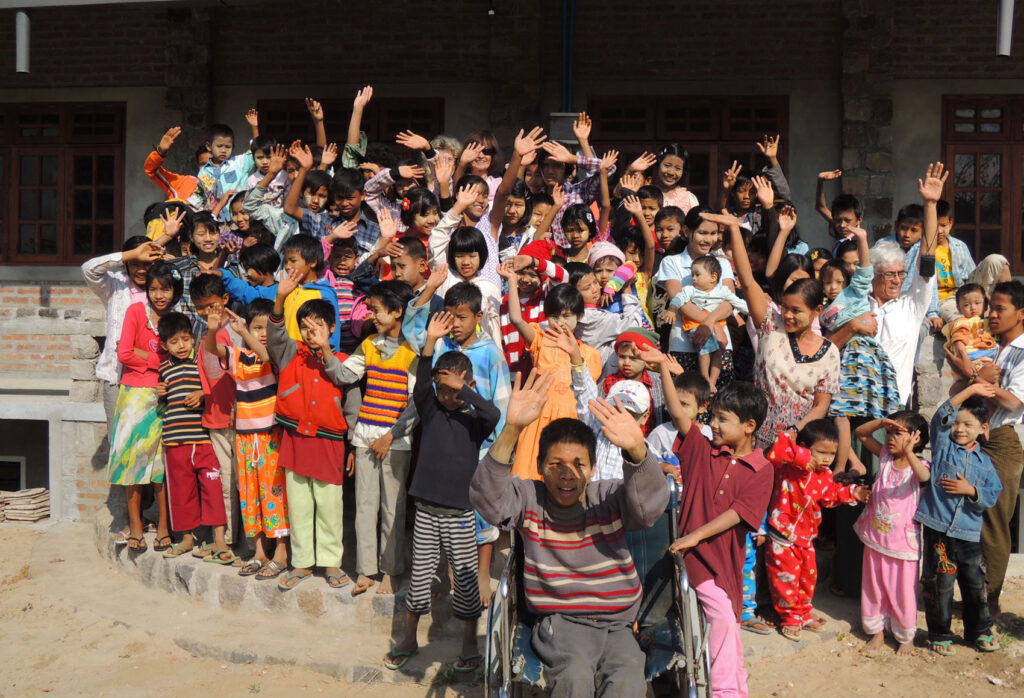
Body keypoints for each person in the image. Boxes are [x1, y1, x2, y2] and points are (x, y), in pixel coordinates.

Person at [471, 370, 670, 698]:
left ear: (592, 468)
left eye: (579, 464)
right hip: (561, 624)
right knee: (575, 679)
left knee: (629, 684)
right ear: (540, 466)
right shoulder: (529, 498)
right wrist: (511, 430)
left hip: (618, 626)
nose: (567, 474)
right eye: (556, 464)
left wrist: (637, 449)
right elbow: (487, 500)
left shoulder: (608, 497)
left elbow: (649, 508)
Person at [383, 329, 500, 673]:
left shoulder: (475, 420)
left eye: (454, 390)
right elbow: (421, 386)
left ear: (467, 385)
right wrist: (429, 345)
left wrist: (463, 389)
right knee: (420, 578)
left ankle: (469, 643)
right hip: (426, 512)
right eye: (442, 389)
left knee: (465, 580)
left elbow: (493, 415)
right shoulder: (431, 409)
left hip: (461, 515)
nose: (447, 396)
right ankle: (409, 638)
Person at [666, 377, 773, 698]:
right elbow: (678, 414)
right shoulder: (702, 450)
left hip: (726, 562)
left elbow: (739, 513)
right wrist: (662, 368)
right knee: (724, 619)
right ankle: (725, 691)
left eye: (722, 419)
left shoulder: (762, 469)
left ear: (749, 426)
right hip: (695, 559)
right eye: (711, 416)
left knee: (730, 624)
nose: (712, 423)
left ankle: (738, 689)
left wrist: (696, 535)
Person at [708, 210, 840, 450]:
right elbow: (748, 281)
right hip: (756, 436)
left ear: (816, 311)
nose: (788, 315)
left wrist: (794, 431)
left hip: (799, 443)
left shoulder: (829, 351)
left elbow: (821, 405)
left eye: (796, 311)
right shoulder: (770, 323)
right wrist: (735, 230)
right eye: (785, 308)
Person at [331, 281, 419, 597]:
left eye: (377, 310)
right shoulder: (370, 344)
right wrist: (325, 350)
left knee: (393, 509)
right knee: (365, 506)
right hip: (365, 438)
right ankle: (366, 570)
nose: (371, 316)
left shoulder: (413, 351)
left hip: (395, 441)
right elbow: (343, 375)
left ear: (397, 312)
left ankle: (391, 572)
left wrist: (390, 436)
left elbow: (416, 403)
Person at [266, 272, 351, 592]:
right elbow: (275, 335)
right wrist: (280, 299)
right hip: (295, 441)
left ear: (332, 327)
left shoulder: (344, 361)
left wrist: (352, 447)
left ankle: (331, 562)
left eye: (318, 326)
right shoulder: (291, 352)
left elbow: (352, 406)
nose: (310, 332)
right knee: (299, 505)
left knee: (330, 507)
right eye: (305, 327)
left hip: (330, 444)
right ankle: (301, 562)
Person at [946, 280, 1024, 618]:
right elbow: (958, 388)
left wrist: (979, 379)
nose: (992, 315)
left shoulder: (1021, 352)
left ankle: (988, 601)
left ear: (1021, 314)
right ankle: (974, 595)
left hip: (1004, 439)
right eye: (991, 308)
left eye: (1000, 309)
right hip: (978, 437)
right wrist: (970, 375)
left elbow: (1014, 401)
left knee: (993, 518)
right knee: (970, 514)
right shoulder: (990, 346)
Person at [202, 300, 291, 579]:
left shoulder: (277, 355)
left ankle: (281, 551)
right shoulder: (239, 356)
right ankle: (259, 552)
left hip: (269, 437)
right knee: (250, 494)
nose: (262, 333)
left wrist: (244, 332)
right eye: (257, 328)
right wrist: (213, 330)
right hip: (244, 438)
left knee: (274, 493)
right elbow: (213, 349)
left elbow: (265, 355)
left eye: (266, 328)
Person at [914, 384, 1003, 655]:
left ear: (983, 428)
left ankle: (979, 631)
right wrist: (971, 388)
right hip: (939, 530)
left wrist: (971, 490)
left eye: (968, 424)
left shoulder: (985, 464)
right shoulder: (943, 447)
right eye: (957, 423)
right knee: (939, 585)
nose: (960, 429)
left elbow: (993, 494)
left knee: (975, 584)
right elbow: (942, 415)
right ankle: (940, 634)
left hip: (968, 534)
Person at [764, 421, 870, 640]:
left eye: (831, 454)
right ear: (804, 447)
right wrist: (803, 456)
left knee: (808, 577)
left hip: (807, 537)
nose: (826, 459)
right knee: (786, 578)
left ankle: (803, 612)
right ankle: (790, 617)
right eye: (821, 452)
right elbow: (778, 450)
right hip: (783, 534)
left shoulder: (824, 475)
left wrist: (854, 493)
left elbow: (830, 496)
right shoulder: (791, 467)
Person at [499, 271, 601, 480]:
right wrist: (511, 281)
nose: (560, 322)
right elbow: (516, 318)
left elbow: (587, 394)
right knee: (529, 477)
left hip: (571, 422)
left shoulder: (591, 354)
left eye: (567, 316)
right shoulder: (541, 340)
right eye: (554, 316)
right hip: (537, 420)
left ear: (579, 316)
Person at [108, 261, 180, 552]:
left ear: (175, 291)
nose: (159, 295)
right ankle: (135, 526)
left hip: (166, 395)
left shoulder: (178, 320)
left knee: (162, 465)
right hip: (134, 398)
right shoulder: (136, 312)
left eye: (165, 289)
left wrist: (148, 358)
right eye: (153, 289)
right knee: (132, 464)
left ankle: (164, 527)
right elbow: (124, 353)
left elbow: (183, 356)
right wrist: (159, 361)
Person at [818, 225, 902, 474]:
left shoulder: (854, 294)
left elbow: (865, 269)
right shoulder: (823, 311)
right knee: (839, 414)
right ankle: (850, 464)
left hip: (862, 356)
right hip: (843, 360)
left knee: (847, 412)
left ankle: (855, 466)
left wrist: (863, 238)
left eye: (838, 281)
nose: (833, 287)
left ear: (847, 281)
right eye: (827, 282)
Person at [156, 311, 235, 564]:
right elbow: (162, 405)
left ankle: (219, 539)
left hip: (203, 439)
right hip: (175, 441)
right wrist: (159, 393)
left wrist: (202, 394)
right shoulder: (163, 370)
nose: (181, 346)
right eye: (174, 342)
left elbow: (214, 387)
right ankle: (186, 538)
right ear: (164, 345)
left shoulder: (200, 363)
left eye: (185, 339)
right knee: (181, 492)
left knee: (213, 488)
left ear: (193, 339)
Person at [853, 410, 930, 655]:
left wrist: (909, 451)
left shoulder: (921, 465)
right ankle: (876, 630)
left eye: (897, 433)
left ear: (916, 438)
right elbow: (861, 434)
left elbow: (925, 477)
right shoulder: (885, 456)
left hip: (903, 545)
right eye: (889, 432)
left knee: (903, 592)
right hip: (876, 539)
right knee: (874, 587)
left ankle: (905, 636)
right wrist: (880, 422)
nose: (890, 437)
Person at [657, 206, 738, 382]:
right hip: (683, 345)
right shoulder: (671, 262)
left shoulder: (722, 264)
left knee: (719, 396)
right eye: (702, 233)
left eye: (713, 233)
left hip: (720, 345)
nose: (708, 239)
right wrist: (715, 325)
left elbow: (730, 302)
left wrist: (710, 323)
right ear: (687, 231)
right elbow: (681, 303)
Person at [669, 254, 748, 393]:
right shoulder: (690, 290)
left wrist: (753, 311)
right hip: (695, 326)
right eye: (692, 275)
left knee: (718, 351)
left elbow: (738, 303)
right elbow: (678, 299)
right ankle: (705, 378)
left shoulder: (722, 291)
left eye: (697, 275)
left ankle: (712, 381)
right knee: (706, 345)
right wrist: (672, 310)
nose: (693, 278)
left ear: (713, 277)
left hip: (717, 329)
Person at [942, 283, 997, 369]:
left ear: (986, 305)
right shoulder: (962, 323)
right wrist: (966, 362)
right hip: (972, 358)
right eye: (966, 305)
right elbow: (959, 344)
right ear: (959, 309)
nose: (973, 307)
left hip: (992, 354)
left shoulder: (989, 320)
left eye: (977, 303)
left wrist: (991, 302)